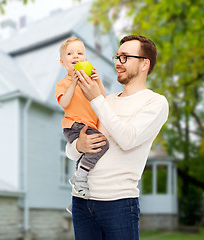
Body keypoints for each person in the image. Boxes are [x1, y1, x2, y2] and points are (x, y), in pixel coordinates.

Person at [66, 35, 169, 240]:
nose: (117, 63)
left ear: (144, 64)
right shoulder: (106, 101)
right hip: (81, 201)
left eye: (125, 57)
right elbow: (71, 151)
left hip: (119, 203)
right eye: (117, 57)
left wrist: (95, 98)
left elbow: (128, 138)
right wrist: (79, 144)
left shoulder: (155, 103)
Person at [54, 37, 109, 210]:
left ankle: (77, 201)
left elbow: (102, 98)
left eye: (80, 53)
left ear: (85, 59)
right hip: (75, 125)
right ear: (63, 62)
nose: (75, 56)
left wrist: (98, 81)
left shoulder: (90, 82)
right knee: (102, 144)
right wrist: (73, 84)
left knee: (84, 163)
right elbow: (64, 103)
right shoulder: (62, 83)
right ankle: (79, 178)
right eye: (70, 54)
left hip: (88, 126)